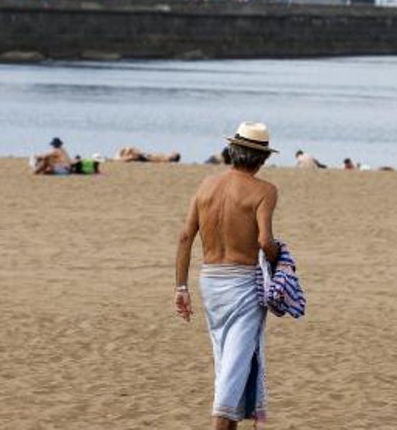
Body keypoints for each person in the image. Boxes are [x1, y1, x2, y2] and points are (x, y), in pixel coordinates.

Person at [175, 122, 280, 428]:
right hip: (242, 282)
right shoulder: (265, 191)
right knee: (234, 366)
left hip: (210, 280)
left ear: (232, 151)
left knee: (229, 360)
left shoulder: (206, 185)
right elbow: (264, 241)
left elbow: (185, 237)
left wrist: (181, 287)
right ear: (262, 159)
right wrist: (280, 259)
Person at [115, 146, 181, 163]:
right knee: (133, 151)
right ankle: (120, 158)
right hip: (147, 156)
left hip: (147, 159)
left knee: (134, 156)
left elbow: (155, 160)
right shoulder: (166, 157)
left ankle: (118, 160)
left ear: (174, 157)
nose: (171, 152)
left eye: (173, 154)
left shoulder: (167, 159)